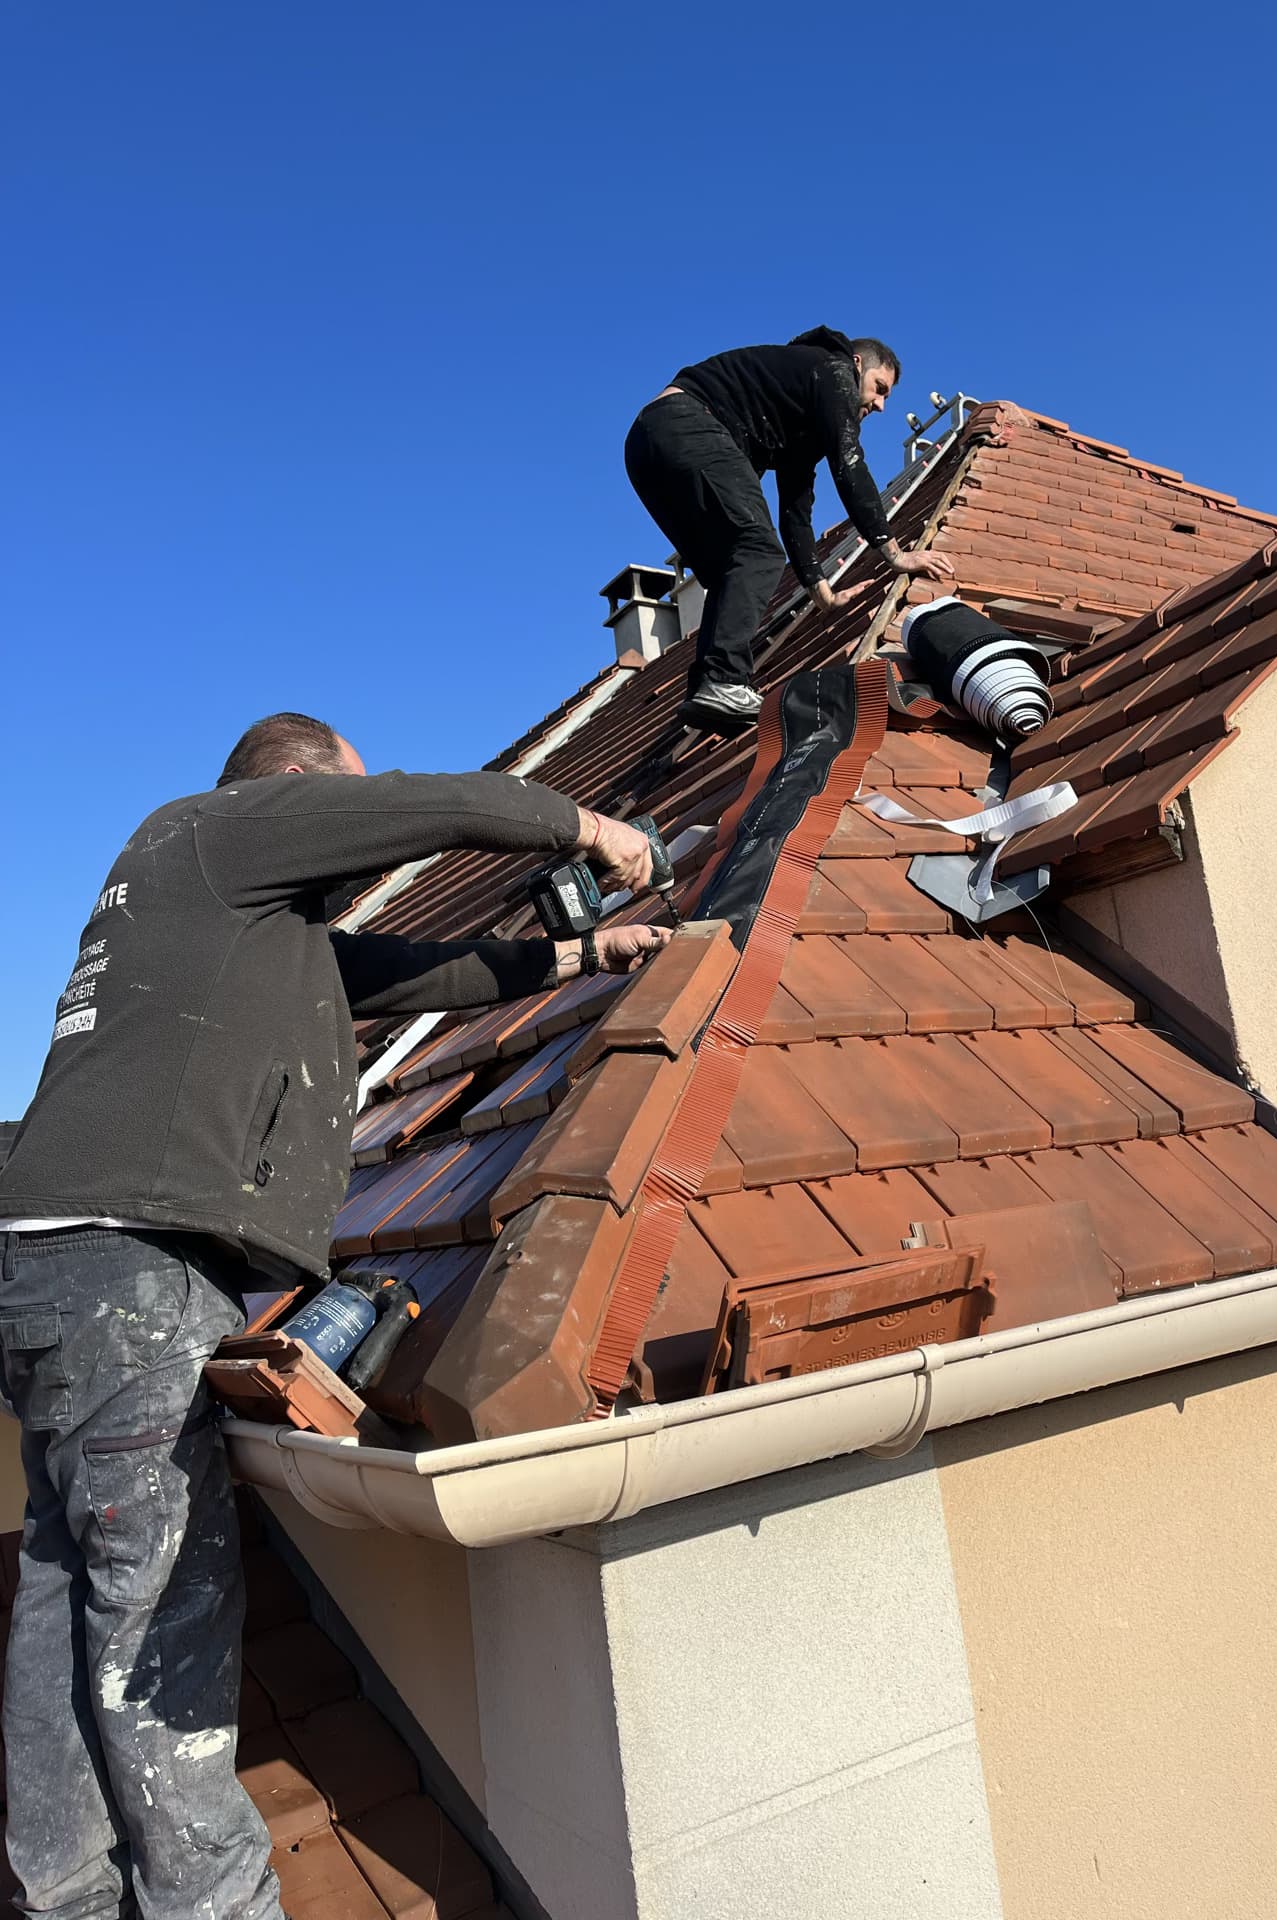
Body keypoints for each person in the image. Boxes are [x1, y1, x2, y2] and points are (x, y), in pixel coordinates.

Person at [0, 712, 669, 1920]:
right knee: (161, 1613)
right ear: (298, 789)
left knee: (68, 1580)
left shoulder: (231, 915)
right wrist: (591, 828)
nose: (353, 866)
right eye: (335, 808)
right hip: (132, 1268)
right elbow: (425, 805)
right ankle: (212, 1905)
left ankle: (65, 1894)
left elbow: (414, 974)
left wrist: (579, 957)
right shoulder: (220, 828)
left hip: (48, 1269)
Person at [624, 325, 955, 733]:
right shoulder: (833, 368)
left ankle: (710, 688)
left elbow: (796, 513)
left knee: (731, 569)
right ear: (857, 365)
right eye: (879, 388)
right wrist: (895, 554)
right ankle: (725, 680)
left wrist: (822, 594)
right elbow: (849, 463)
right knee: (757, 551)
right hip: (686, 424)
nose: (881, 405)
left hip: (648, 446)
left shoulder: (799, 415)